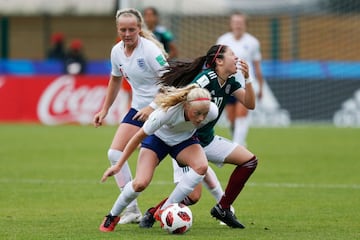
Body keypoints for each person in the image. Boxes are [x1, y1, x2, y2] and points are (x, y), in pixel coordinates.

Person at [140, 44, 258, 229]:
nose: (236, 58)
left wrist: (248, 78)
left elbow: (250, 104)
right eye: (232, 55)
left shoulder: (230, 82)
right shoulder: (205, 79)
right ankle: (154, 212)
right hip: (186, 143)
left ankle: (223, 208)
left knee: (249, 161)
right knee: (193, 197)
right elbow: (179, 96)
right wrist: (152, 107)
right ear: (219, 61)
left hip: (207, 141)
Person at [99, 84, 219, 232]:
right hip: (157, 140)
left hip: (184, 141)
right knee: (140, 183)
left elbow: (204, 130)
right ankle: (112, 216)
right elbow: (137, 138)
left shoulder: (212, 111)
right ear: (186, 106)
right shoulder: (165, 113)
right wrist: (118, 165)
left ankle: (164, 209)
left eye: (204, 113)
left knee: (201, 166)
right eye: (197, 113)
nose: (201, 118)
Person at [93, 8, 168, 225]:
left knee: (188, 163)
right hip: (137, 110)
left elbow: (171, 81)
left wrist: (153, 106)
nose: (127, 34)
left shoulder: (150, 50)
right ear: (118, 29)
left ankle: (223, 203)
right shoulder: (116, 51)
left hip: (163, 109)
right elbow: (115, 79)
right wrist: (105, 109)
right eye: (123, 29)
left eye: (131, 29)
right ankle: (132, 209)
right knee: (114, 153)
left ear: (139, 28)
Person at [217, 12, 264, 146]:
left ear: (245, 25)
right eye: (235, 22)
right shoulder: (223, 40)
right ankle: (239, 142)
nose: (238, 25)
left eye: (240, 23)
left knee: (241, 115)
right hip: (227, 84)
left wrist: (260, 87)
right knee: (231, 119)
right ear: (231, 24)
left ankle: (237, 145)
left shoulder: (253, 42)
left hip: (245, 84)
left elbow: (257, 66)